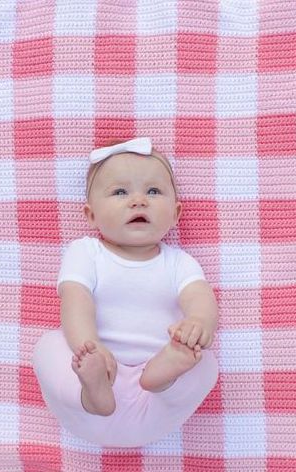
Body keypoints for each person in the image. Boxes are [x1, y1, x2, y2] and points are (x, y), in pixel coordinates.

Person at [32, 137, 218, 447]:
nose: (138, 200)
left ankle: (166, 376)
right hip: (96, 381)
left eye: (153, 191)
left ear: (176, 213)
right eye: (120, 192)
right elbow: (76, 301)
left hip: (154, 400)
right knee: (48, 348)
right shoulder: (86, 252)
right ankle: (90, 393)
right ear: (91, 216)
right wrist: (89, 346)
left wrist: (199, 323)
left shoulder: (179, 263)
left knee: (207, 363)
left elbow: (201, 299)